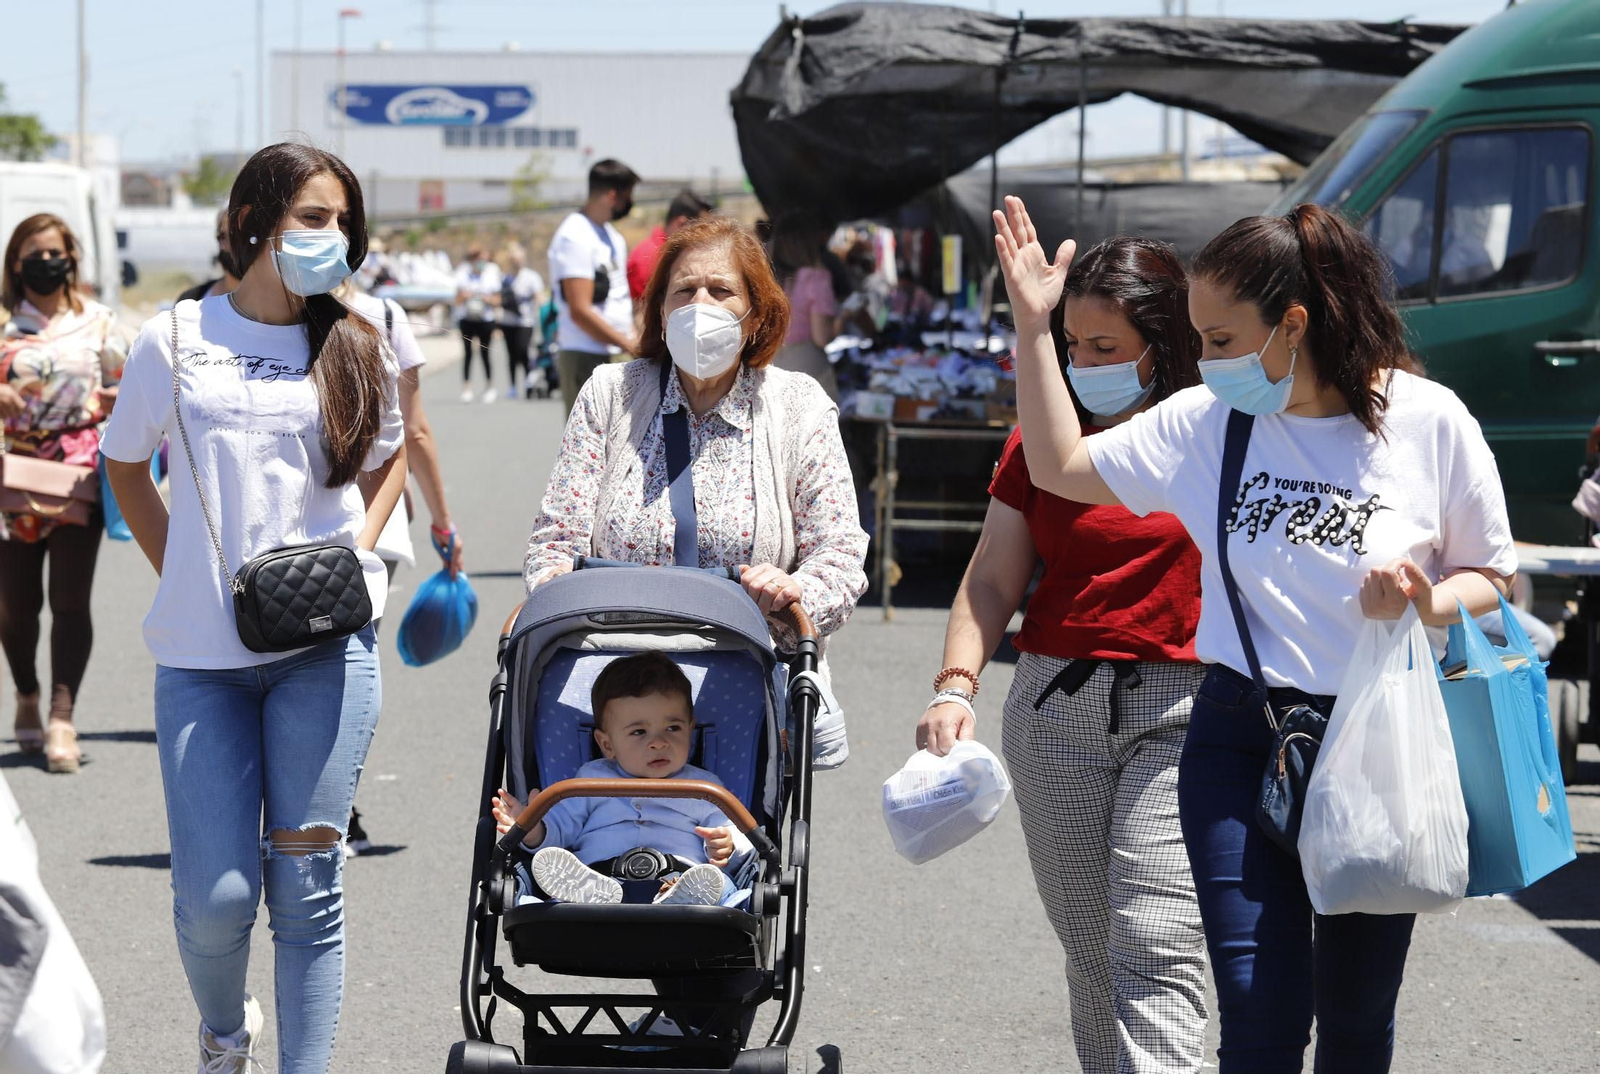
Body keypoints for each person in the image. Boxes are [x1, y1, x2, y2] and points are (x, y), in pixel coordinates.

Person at [995, 195, 1516, 1073]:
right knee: (1257, 1014)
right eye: (1198, 339)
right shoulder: (1209, 422)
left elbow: (1494, 584)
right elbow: (1059, 466)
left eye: (1223, 340)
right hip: (1239, 735)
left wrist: (1422, 601)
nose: (1204, 361)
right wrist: (1033, 326)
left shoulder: (1430, 421)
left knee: (1354, 1017)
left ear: (1293, 325)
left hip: (1378, 740)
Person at [101, 142, 406, 1073]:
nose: (333, 236)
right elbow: (124, 462)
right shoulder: (178, 338)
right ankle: (223, 1034)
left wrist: (360, 550)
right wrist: (181, 570)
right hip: (202, 659)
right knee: (218, 899)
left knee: (309, 886)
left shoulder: (358, 338)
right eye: (313, 217)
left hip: (327, 645)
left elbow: (391, 452)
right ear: (253, 221)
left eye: (343, 220)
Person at [915, 236, 1208, 1073]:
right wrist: (955, 685)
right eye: (1071, 345)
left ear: (1167, 343)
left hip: (1186, 713)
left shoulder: (1217, 430)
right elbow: (990, 579)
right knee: (1091, 947)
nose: (1085, 364)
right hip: (1055, 713)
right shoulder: (1039, 441)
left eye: (1105, 348)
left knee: (1156, 940)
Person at [524, 214, 868, 671]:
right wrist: (564, 594)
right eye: (684, 292)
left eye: (721, 291)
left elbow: (840, 554)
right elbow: (554, 540)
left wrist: (794, 590)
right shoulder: (610, 393)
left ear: (754, 316)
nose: (699, 305)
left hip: (756, 682)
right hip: (615, 683)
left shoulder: (799, 407)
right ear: (662, 314)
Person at [0, 212, 129, 774]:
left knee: (70, 600)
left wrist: (113, 400)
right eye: (33, 252)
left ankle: (61, 715)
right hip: (9, 474)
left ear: (72, 258)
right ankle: (26, 691)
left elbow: (132, 391)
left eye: (55, 252)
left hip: (77, 474)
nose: (46, 262)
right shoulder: (3, 322)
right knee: (13, 607)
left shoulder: (100, 323)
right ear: (14, 263)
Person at [490, 651, 755, 907]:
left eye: (673, 728)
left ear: (690, 729)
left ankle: (681, 900)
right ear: (606, 744)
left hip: (682, 879)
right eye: (639, 732)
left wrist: (726, 846)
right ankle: (580, 897)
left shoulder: (705, 786)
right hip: (599, 878)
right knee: (557, 867)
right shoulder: (591, 779)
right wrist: (535, 829)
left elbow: (732, 828)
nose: (659, 742)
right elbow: (562, 826)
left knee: (720, 883)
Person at [549, 158, 639, 414]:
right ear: (612, 196)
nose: (629, 204)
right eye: (627, 196)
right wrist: (629, 344)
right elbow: (580, 311)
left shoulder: (611, 237)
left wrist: (633, 337)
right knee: (589, 447)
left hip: (616, 352)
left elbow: (618, 297)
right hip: (585, 354)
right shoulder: (575, 235)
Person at [768, 211, 841, 400]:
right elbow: (821, 337)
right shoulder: (815, 277)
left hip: (767, 366)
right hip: (807, 367)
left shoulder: (765, 278)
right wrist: (846, 317)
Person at [627, 187, 713, 303]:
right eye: (700, 228)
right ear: (681, 223)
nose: (705, 235)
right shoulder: (650, 258)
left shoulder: (671, 253)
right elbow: (646, 312)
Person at [497, 242, 546, 400]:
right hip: (508, 321)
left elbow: (540, 298)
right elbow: (499, 298)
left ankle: (528, 381)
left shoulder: (531, 277)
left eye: (518, 259)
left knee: (523, 350)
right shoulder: (505, 278)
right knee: (511, 354)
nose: (516, 262)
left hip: (526, 321)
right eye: (513, 259)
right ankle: (512, 386)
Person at [454, 245, 502, 404]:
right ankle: (466, 387)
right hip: (467, 318)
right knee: (467, 353)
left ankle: (490, 386)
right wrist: (466, 296)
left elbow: (498, 300)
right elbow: (456, 300)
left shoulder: (491, 273)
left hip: (485, 319)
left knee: (485, 353)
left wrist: (487, 299)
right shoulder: (463, 273)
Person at [176, 208, 242, 303]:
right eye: (224, 237)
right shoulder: (192, 300)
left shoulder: (268, 305)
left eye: (237, 237)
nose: (229, 246)